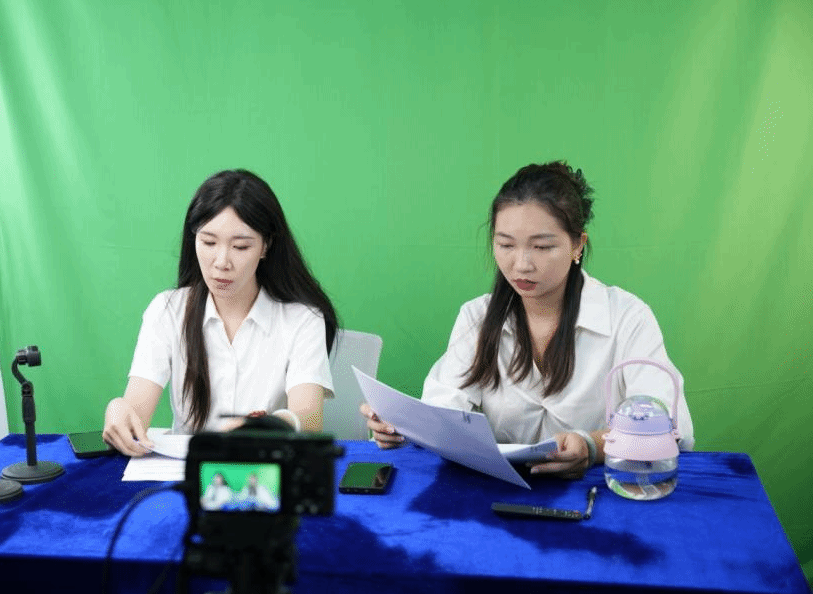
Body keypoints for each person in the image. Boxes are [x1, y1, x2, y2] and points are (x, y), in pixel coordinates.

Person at [363, 161, 694, 479]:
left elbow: (668, 427)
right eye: (505, 244)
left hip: (598, 492)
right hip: (499, 492)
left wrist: (591, 446)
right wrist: (401, 426)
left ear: (578, 245)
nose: (521, 264)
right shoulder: (477, 317)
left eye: (542, 247)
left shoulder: (627, 317)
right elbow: (444, 407)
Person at [103, 169, 339, 456]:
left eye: (240, 246)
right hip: (187, 474)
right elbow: (136, 413)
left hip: (264, 470)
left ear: (266, 246)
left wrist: (268, 426)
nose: (221, 262)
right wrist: (119, 409)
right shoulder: (168, 311)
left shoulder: (302, 319)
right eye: (208, 242)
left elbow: (309, 420)